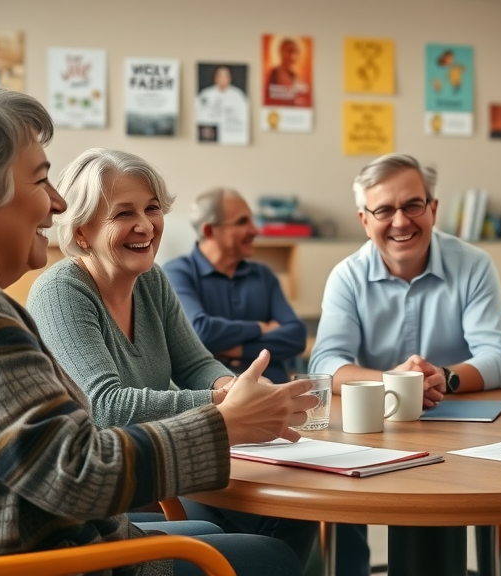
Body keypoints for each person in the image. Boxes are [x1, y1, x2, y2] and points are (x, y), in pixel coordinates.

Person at [0, 85, 316, 576]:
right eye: (40, 180)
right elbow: (78, 471)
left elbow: (48, 462)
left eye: (151, 209)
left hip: (35, 540)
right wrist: (226, 418)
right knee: (271, 557)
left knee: (225, 534)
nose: (57, 204)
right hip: (55, 558)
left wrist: (226, 391)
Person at [26, 149, 318, 566]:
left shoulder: (151, 280)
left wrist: (234, 387)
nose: (145, 225)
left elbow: (196, 365)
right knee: (272, 553)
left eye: (152, 208)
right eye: (123, 214)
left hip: (153, 477)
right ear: (82, 231)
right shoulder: (60, 291)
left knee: (294, 514)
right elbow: (105, 407)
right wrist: (228, 406)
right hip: (106, 497)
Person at [308, 152, 501, 576]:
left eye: (412, 205)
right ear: (364, 220)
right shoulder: (346, 276)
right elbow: (326, 362)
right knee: (334, 496)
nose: (400, 221)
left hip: (463, 436)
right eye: (384, 209)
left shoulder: (474, 265)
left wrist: (444, 377)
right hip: (369, 435)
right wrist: (394, 381)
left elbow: (500, 357)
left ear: (433, 209)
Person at [164, 187, 306, 384]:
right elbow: (200, 331)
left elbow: (296, 336)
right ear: (209, 230)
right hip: (215, 401)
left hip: (274, 392)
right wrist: (260, 327)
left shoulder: (263, 275)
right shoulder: (177, 273)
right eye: (242, 222)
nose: (254, 230)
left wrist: (237, 351)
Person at [196, 65, 248, 143]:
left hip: (233, 137)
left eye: (225, 76)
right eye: (220, 76)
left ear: (229, 78)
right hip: (210, 138)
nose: (222, 79)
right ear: (215, 78)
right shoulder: (205, 94)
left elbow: (244, 117)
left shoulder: (238, 95)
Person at [265, 38, 309, 107]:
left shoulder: (295, 76)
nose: (293, 56)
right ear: (281, 52)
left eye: (295, 52)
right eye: (290, 51)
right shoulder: (274, 73)